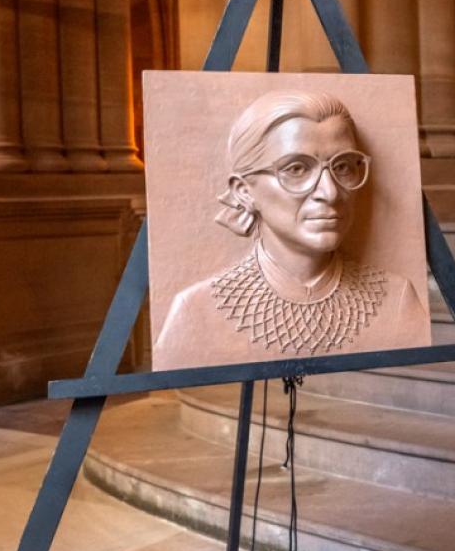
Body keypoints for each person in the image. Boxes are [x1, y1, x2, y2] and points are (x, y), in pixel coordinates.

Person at [152, 90, 429, 369]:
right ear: (245, 191)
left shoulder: (397, 300)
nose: (330, 192)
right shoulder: (197, 311)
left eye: (343, 167)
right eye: (297, 169)